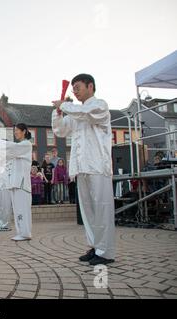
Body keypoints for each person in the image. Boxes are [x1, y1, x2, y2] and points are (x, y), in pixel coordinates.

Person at [52, 73, 116, 265]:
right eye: (73, 89)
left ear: (90, 86)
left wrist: (64, 105)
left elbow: (86, 114)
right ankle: (95, 247)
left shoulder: (100, 106)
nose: (75, 92)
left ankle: (106, 252)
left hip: (98, 166)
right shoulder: (75, 113)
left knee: (102, 209)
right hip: (81, 168)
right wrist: (58, 113)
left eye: (78, 87)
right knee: (88, 212)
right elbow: (60, 130)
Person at [0, 123, 33, 241]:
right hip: (14, 183)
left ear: (24, 131)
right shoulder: (17, 148)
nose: (15, 132)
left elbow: (9, 147)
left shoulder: (26, 145)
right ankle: (22, 233)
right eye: (14, 130)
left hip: (22, 183)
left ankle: (25, 233)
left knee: (22, 209)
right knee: (18, 209)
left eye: (17, 130)